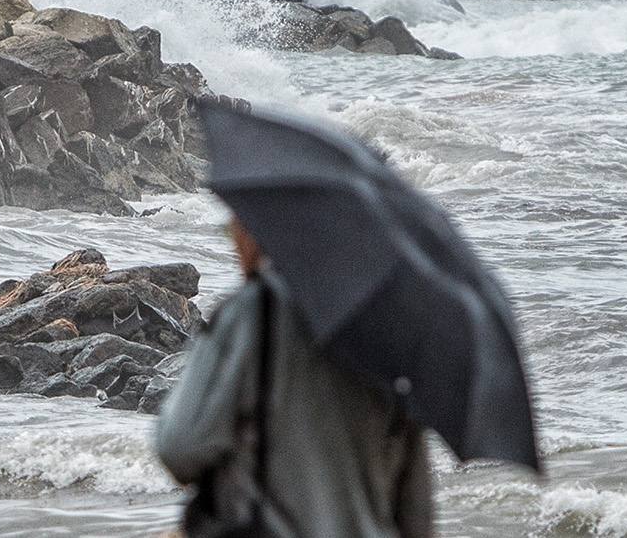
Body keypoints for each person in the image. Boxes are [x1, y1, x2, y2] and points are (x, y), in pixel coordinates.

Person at [154, 221, 436, 537]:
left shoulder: (253, 312)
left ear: (257, 234)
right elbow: (416, 515)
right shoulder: (395, 328)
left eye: (235, 228)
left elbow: (179, 447)